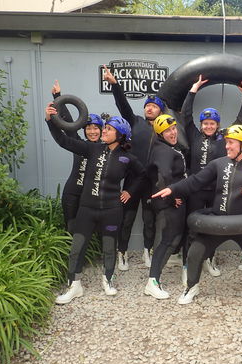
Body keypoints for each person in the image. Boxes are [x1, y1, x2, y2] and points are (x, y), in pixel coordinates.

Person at [152, 125, 242, 305]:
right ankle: (191, 286)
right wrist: (173, 189)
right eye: (227, 142)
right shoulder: (218, 164)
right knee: (195, 253)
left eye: (231, 143)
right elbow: (195, 181)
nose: (226, 146)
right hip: (217, 224)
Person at [46, 104, 145, 304]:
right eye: (104, 128)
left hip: (111, 211)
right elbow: (63, 140)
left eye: (108, 129)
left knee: (109, 247)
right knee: (77, 248)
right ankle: (74, 286)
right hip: (87, 209)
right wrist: (50, 121)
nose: (103, 131)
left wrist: (129, 191)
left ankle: (108, 280)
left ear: (120, 135)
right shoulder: (92, 149)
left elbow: (143, 174)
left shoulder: (127, 158)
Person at [180, 75, 242, 281]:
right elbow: (186, 114)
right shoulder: (194, 135)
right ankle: (187, 265)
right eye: (206, 123)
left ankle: (208, 259)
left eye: (212, 123)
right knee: (191, 227)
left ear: (217, 125)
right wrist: (193, 90)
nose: (209, 126)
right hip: (195, 190)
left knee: (212, 228)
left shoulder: (224, 138)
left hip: (216, 190)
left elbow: (241, 122)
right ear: (201, 125)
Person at [103, 65, 162, 270]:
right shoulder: (135, 122)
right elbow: (123, 105)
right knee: (126, 219)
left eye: (154, 106)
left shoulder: (165, 130)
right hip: (132, 181)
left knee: (149, 220)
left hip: (152, 182)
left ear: (160, 110)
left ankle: (148, 251)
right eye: (147, 106)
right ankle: (122, 252)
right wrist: (115, 85)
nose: (149, 108)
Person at [143, 114, 188, 299]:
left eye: (173, 128)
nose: (173, 132)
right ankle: (152, 281)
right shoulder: (163, 150)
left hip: (170, 203)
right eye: (167, 131)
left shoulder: (163, 147)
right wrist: (172, 197)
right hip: (168, 205)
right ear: (160, 134)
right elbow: (164, 175)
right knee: (166, 241)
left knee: (173, 239)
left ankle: (154, 279)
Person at [50, 80, 102, 231]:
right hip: (72, 195)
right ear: (84, 130)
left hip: (92, 198)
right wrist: (58, 97)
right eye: (88, 128)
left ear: (101, 130)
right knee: (71, 231)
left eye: (96, 128)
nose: (92, 132)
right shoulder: (79, 144)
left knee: (90, 232)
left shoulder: (107, 149)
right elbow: (68, 123)